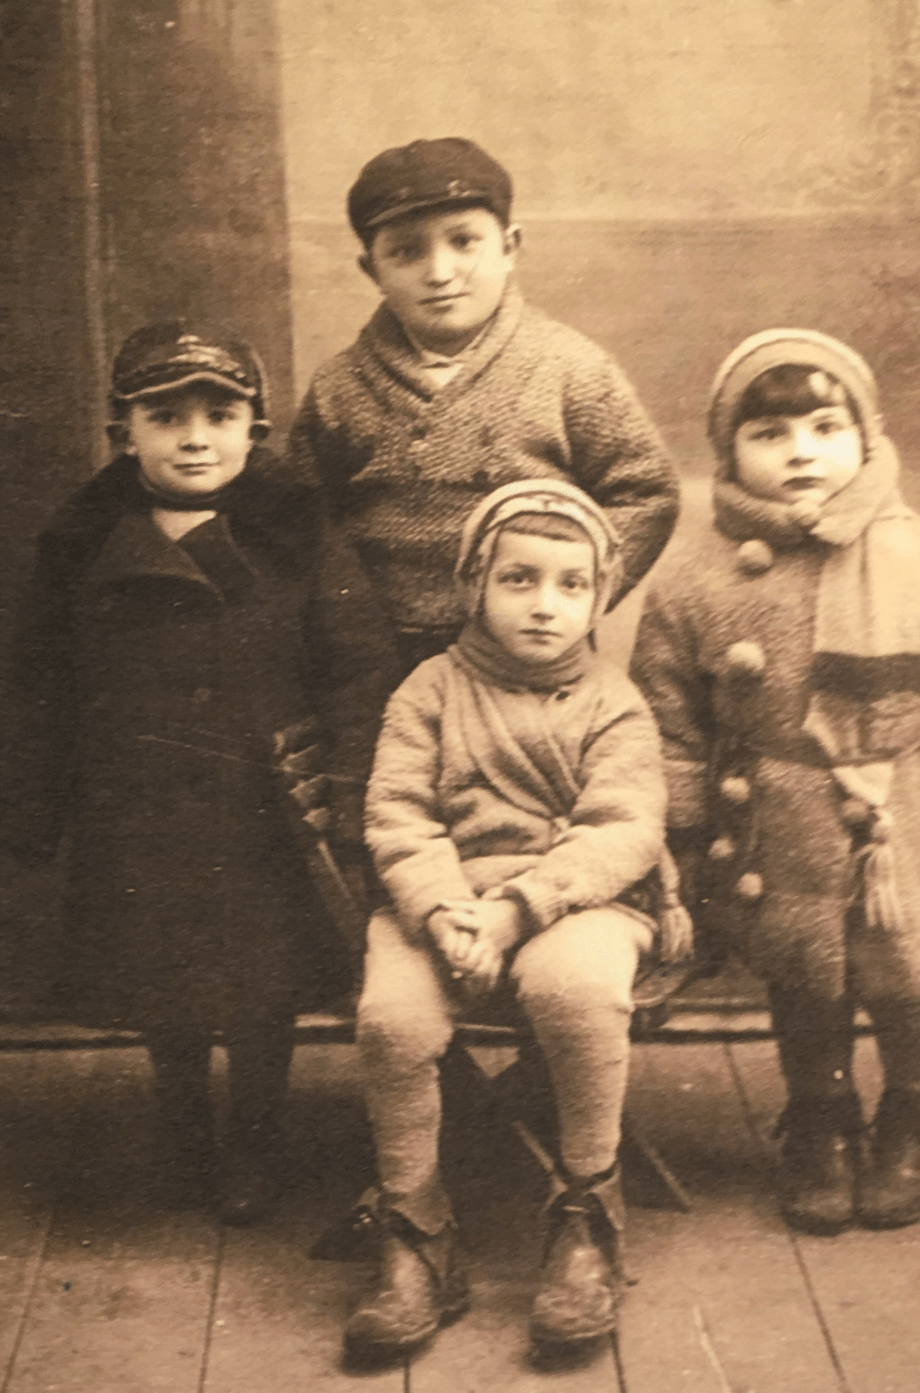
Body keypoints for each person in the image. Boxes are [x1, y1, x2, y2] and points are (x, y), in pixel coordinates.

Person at [631, 328, 920, 1236]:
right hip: (771, 818)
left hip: (899, 817)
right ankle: (818, 1119)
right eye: (771, 434)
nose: (802, 452)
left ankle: (914, 1112)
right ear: (728, 452)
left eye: (826, 426)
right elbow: (666, 711)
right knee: (803, 977)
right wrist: (681, 822)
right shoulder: (695, 577)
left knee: (906, 971)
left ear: (866, 435)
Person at [0, 322, 398, 1226]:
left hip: (263, 813)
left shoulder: (301, 537)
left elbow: (358, 666)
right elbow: (40, 680)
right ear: (121, 433)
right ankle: (180, 1129)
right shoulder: (82, 543)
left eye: (221, 414)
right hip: (135, 810)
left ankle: (253, 1139)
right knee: (160, 983)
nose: (194, 436)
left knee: (263, 990)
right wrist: (30, 800)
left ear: (256, 431)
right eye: (165, 415)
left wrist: (348, 785)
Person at [345, 479, 691, 1358]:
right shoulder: (427, 690)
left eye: (572, 585)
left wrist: (518, 909)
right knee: (393, 1017)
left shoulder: (613, 702)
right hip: (445, 904)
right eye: (519, 578)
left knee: (572, 986)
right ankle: (415, 1228)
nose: (545, 605)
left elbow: (623, 828)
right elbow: (398, 815)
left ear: (599, 596)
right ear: (475, 584)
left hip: (580, 899)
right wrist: (440, 909)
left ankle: (584, 1210)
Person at [287, 136, 680, 679]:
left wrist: (569, 598)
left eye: (464, 242)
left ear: (510, 247)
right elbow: (304, 519)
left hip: (527, 655)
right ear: (371, 269)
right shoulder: (339, 386)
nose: (440, 271)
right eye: (406, 251)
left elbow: (646, 492)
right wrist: (344, 620)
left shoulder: (571, 368)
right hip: (376, 653)